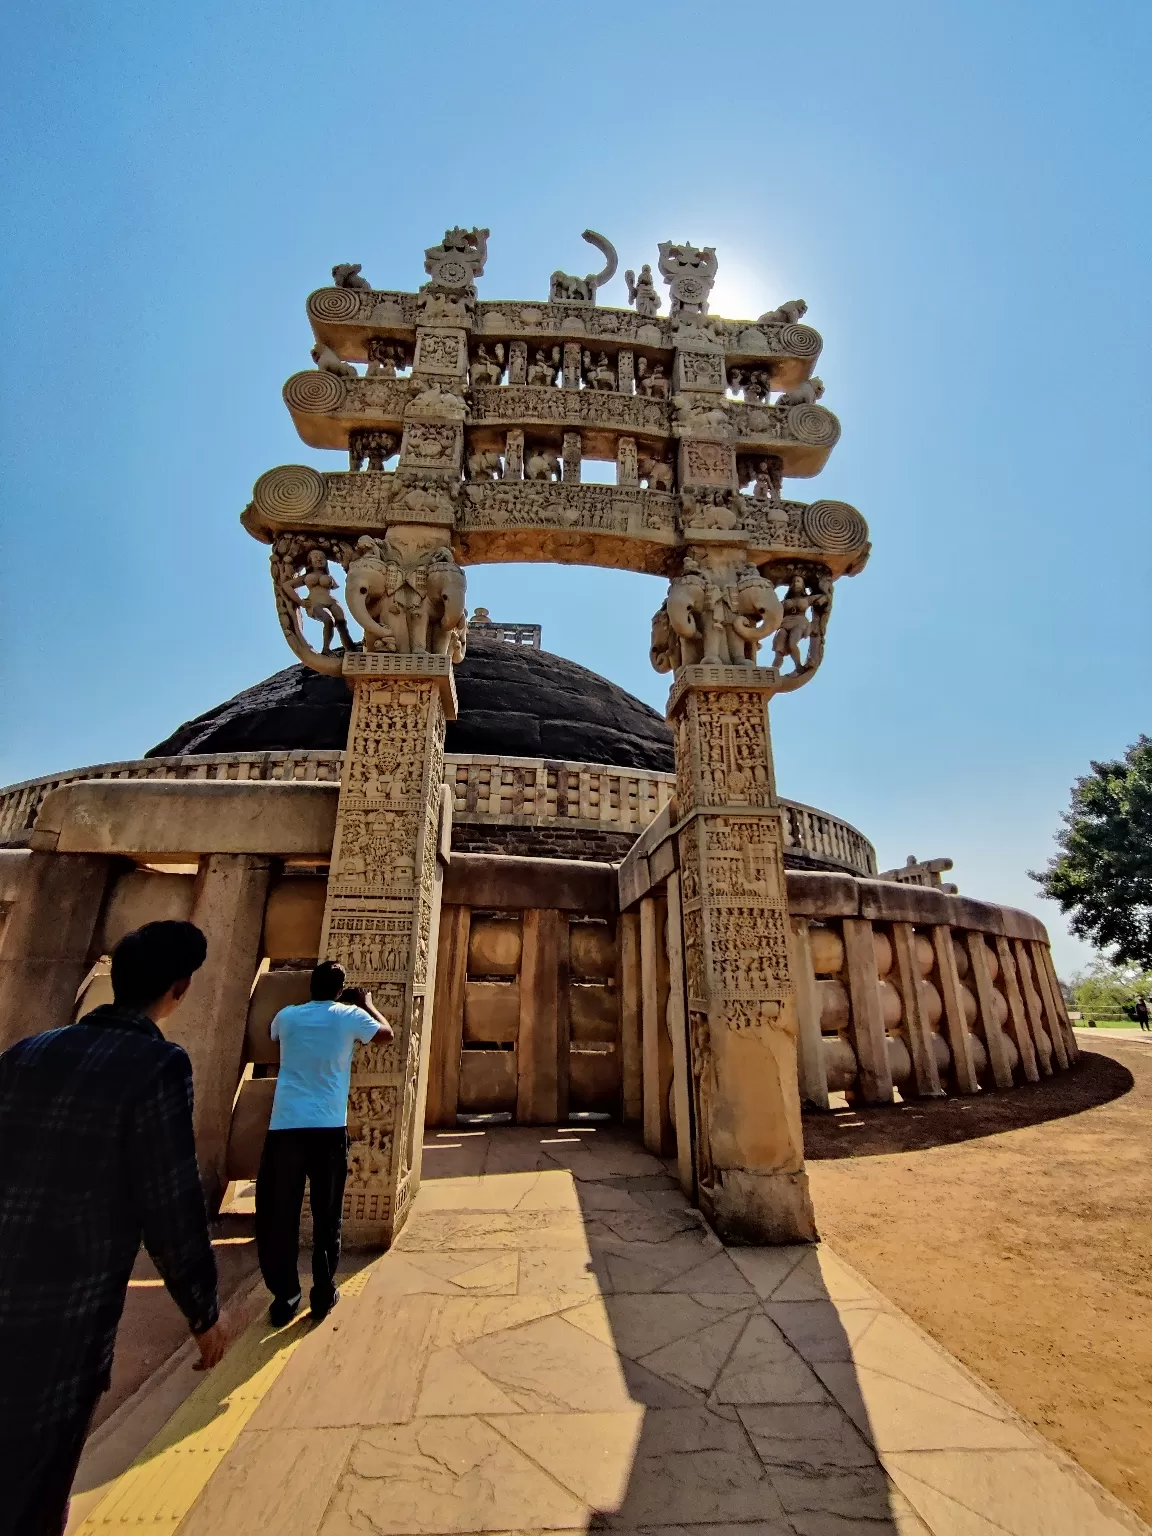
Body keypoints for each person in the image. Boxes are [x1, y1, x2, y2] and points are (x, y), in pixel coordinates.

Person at [0, 920, 228, 1536]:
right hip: (62, 1315)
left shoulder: (24, 1053)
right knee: (34, 1486)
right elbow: (171, 1203)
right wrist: (204, 1313)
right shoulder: (157, 1065)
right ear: (178, 990)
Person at [256, 961, 392, 1327]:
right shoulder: (349, 1016)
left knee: (278, 1214)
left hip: (285, 1126)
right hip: (329, 1127)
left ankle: (285, 1295)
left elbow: (271, 1035)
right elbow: (386, 1034)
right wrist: (366, 1002)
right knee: (327, 1213)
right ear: (340, 990)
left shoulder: (287, 1017)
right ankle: (322, 1290)